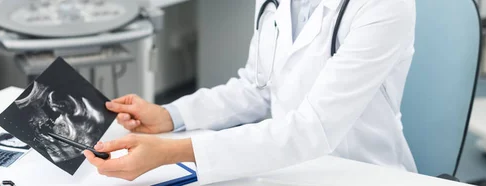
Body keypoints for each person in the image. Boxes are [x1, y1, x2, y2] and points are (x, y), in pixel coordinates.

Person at [83, 0, 417, 184]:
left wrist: (170, 152)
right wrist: (170, 116)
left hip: (362, 172)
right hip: (283, 167)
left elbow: (312, 129)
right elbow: (258, 88)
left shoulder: (385, 6)